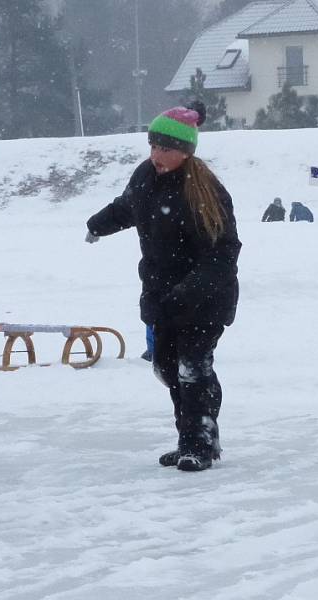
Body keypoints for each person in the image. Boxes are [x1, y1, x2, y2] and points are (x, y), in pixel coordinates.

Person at [85, 102, 241, 472]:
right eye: (153, 146)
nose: (156, 155)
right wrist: (98, 224)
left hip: (204, 298)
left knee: (193, 367)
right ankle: (190, 435)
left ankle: (198, 443)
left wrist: (189, 290)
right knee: (168, 367)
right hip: (160, 293)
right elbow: (129, 206)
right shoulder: (145, 177)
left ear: (185, 152)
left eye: (166, 149)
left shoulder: (205, 191)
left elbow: (223, 252)